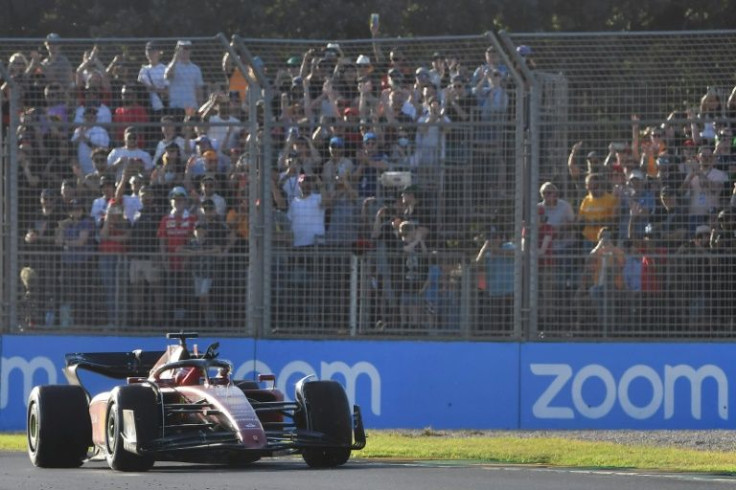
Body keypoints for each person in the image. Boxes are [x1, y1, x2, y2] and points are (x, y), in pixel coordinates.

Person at [157, 186, 198, 327]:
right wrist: (164, 260)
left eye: (181, 199)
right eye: (175, 200)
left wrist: (187, 257)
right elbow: (162, 241)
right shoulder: (166, 219)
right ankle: (172, 321)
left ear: (186, 201)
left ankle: (186, 321)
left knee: (186, 291)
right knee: (171, 292)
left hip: (187, 264)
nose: (178, 202)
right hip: (171, 263)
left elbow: (194, 240)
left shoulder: (192, 219)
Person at [55, 199, 96, 327]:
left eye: (78, 209)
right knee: (70, 292)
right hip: (68, 263)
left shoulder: (86, 222)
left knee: (82, 292)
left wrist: (67, 243)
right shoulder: (65, 224)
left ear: (83, 210)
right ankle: (72, 321)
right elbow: (58, 241)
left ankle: (84, 322)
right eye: (73, 209)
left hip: (83, 263)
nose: (75, 212)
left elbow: (81, 241)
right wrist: (63, 231)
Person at [128, 185, 164, 327]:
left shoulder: (158, 213)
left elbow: (160, 237)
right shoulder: (136, 213)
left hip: (151, 258)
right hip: (136, 258)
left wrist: (158, 255)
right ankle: (137, 320)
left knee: (157, 289)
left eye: (149, 194)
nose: (146, 197)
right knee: (137, 289)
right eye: (143, 195)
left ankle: (159, 320)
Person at [97, 199, 131, 329]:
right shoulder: (103, 221)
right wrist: (108, 218)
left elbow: (126, 237)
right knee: (109, 290)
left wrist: (110, 238)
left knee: (122, 289)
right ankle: (112, 321)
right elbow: (102, 235)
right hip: (106, 258)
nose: (115, 212)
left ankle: (123, 322)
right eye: (112, 208)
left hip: (121, 258)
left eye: (117, 208)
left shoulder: (126, 222)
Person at [165, 40, 204, 116]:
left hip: (191, 107)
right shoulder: (172, 66)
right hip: (176, 106)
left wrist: (200, 108)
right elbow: (167, 75)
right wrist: (175, 58)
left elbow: (199, 90)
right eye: (182, 48)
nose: (185, 51)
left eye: (187, 48)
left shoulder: (196, 69)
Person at [71, 106, 110, 176]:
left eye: (91, 118)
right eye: (87, 118)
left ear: (95, 118)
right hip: (81, 168)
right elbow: (71, 148)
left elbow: (104, 149)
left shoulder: (101, 131)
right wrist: (79, 137)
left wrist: (86, 140)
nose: (89, 120)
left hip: (96, 168)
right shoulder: (78, 130)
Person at [137, 41, 168, 117]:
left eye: (154, 50)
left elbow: (168, 91)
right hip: (146, 107)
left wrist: (153, 89)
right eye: (148, 50)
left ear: (159, 52)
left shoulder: (165, 69)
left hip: (161, 107)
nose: (151, 53)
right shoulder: (143, 70)